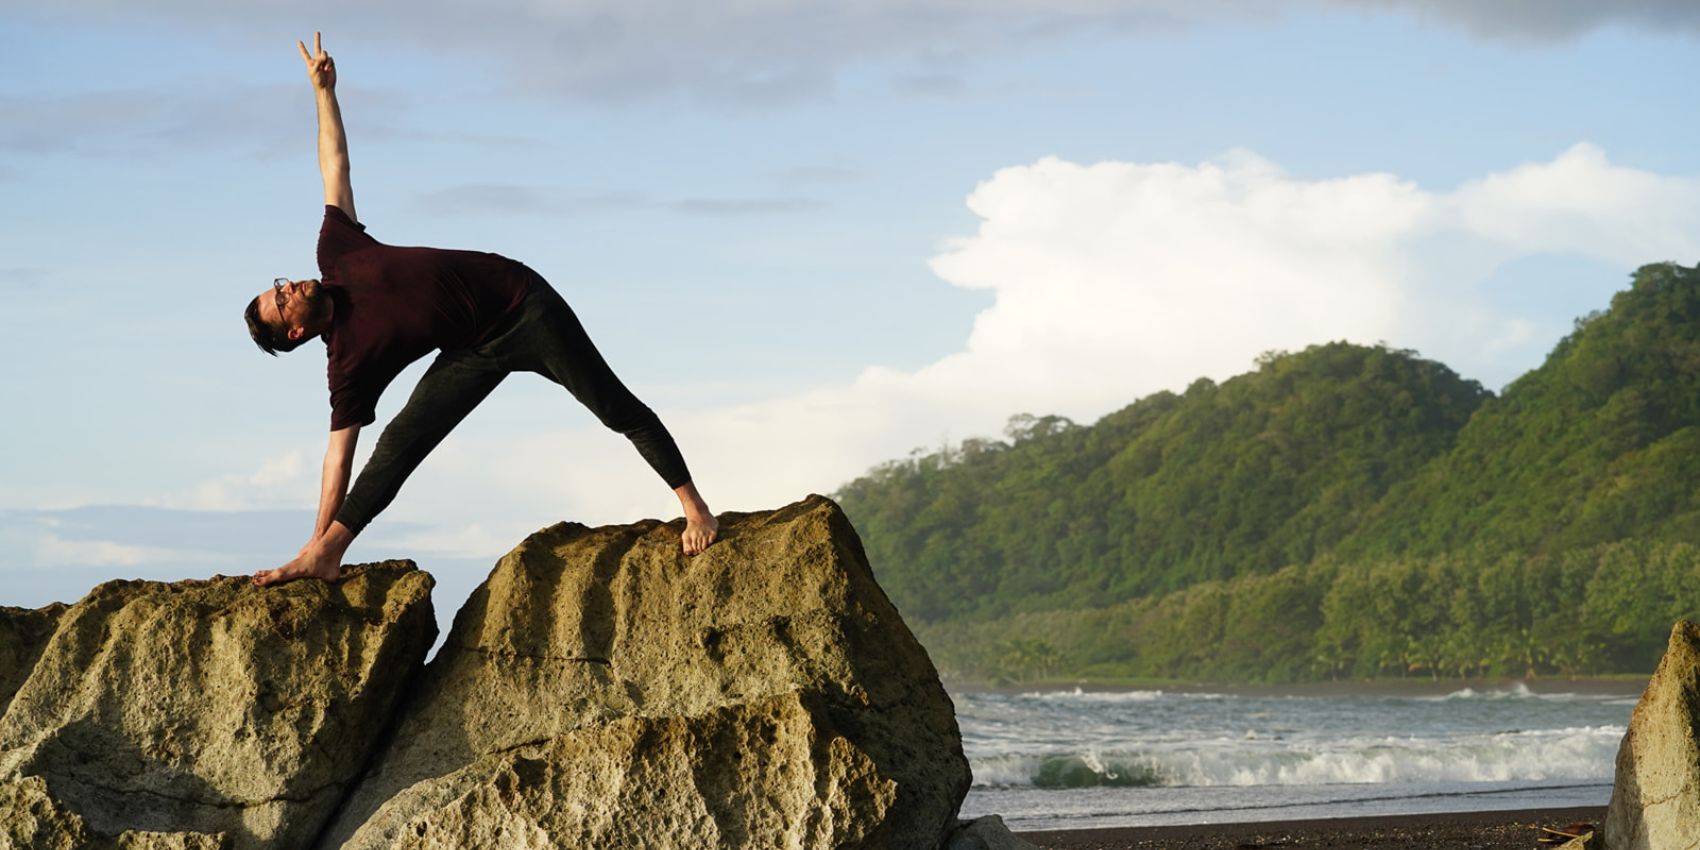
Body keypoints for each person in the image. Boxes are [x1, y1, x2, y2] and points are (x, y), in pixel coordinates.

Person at [247, 34, 718, 587]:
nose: (288, 288)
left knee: (614, 406)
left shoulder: (337, 250)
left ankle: (695, 508)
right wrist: (317, 541)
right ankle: (327, 555)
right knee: (399, 442)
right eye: (281, 302)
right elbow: (337, 459)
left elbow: (335, 165)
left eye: (279, 286)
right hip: (472, 351)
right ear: (296, 331)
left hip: (524, 305)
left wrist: (324, 93)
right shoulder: (348, 365)